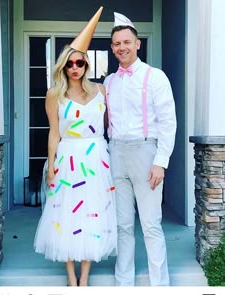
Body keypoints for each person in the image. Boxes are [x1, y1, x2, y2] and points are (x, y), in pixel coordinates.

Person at [34, 7, 117, 287]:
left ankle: (85, 277)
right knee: (66, 214)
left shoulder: (101, 91)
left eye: (80, 63)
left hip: (96, 160)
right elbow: (54, 133)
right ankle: (71, 276)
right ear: (63, 67)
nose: (74, 68)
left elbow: (111, 125)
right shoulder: (53, 94)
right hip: (68, 157)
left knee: (93, 212)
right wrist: (50, 167)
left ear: (86, 66)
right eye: (70, 64)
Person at [104, 12, 177, 286]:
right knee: (122, 225)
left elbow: (168, 122)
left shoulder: (155, 77)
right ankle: (124, 283)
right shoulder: (110, 82)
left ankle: (160, 285)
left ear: (137, 44)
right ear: (112, 48)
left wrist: (161, 161)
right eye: (116, 43)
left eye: (126, 41)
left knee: (150, 224)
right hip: (116, 153)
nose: (121, 47)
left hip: (146, 153)